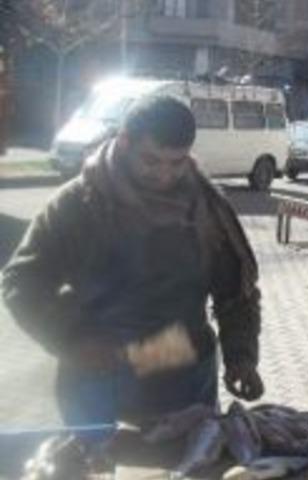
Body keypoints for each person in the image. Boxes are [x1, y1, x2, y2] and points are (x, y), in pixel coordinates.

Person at [1, 95, 264, 428]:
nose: (165, 174)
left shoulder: (207, 209)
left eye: (177, 162)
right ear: (125, 143)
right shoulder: (76, 204)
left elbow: (236, 294)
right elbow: (21, 282)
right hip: (95, 375)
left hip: (184, 375)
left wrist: (241, 357)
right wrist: (70, 340)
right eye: (151, 160)